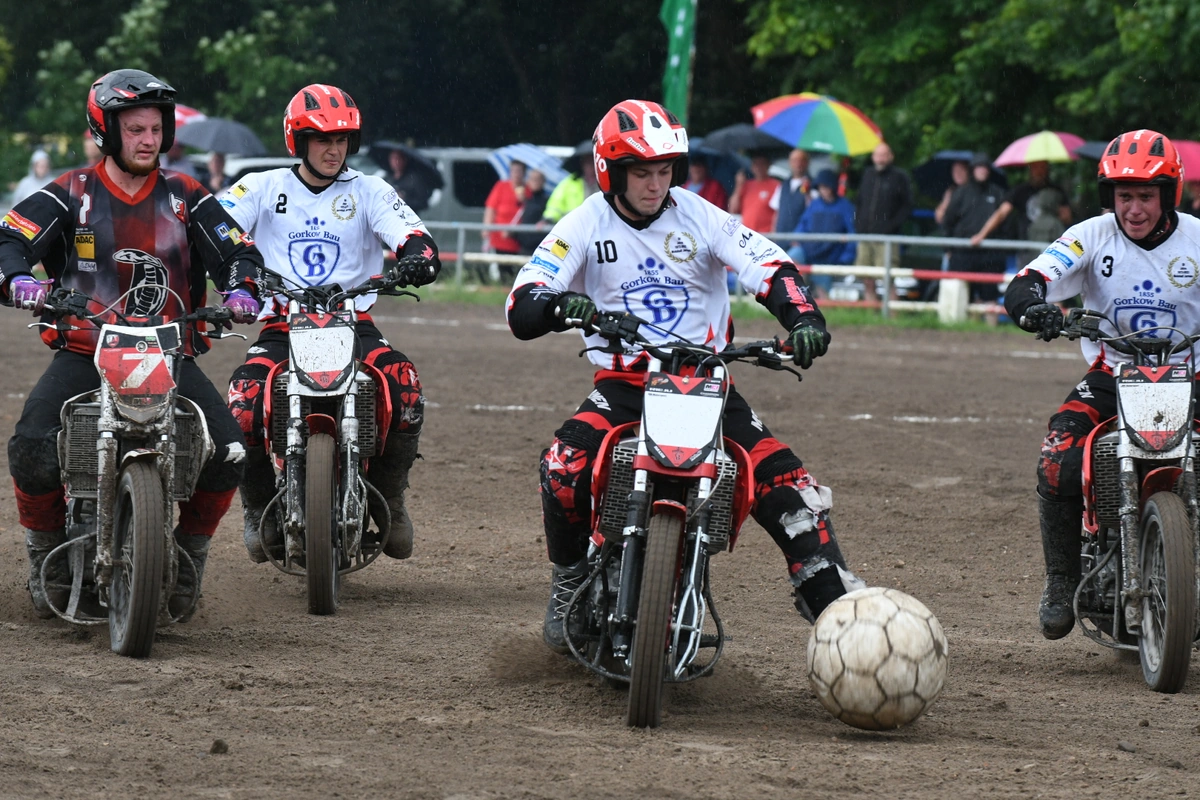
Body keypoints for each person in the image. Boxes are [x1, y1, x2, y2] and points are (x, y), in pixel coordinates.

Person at [505, 99, 863, 653]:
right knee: (562, 466)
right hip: (624, 386)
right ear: (610, 172)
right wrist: (558, 307)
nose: (655, 184)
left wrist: (804, 318)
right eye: (642, 172)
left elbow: (768, 266)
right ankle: (569, 580)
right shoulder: (581, 224)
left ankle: (847, 626)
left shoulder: (702, 216)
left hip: (710, 385)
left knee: (792, 494)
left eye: (664, 171)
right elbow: (523, 301)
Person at [0, 69, 265, 620]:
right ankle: (46, 556)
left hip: (169, 354)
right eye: (136, 129)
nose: (149, 139)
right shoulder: (71, 193)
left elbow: (238, 252)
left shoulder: (187, 195)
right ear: (105, 131)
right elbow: (9, 241)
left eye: (156, 128)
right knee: (29, 448)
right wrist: (21, 279)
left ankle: (189, 555)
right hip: (85, 352)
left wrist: (241, 287)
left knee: (230, 453)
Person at [221, 82, 441, 564]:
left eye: (341, 139)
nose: (332, 149)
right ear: (296, 141)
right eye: (321, 139)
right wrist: (235, 267)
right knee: (241, 403)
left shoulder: (370, 190)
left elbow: (414, 235)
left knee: (405, 388)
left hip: (353, 322)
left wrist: (416, 256)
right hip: (283, 326)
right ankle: (258, 506)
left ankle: (391, 500)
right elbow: (213, 226)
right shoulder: (261, 186)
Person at [1003, 129, 1200, 640]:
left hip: (1193, 373)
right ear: (1109, 197)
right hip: (1113, 372)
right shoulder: (1089, 235)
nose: (1135, 208)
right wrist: (1035, 307)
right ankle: (1061, 579)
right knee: (1057, 453)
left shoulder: (1198, 239)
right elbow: (1030, 279)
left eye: (1146, 196)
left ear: (1168, 194)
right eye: (1124, 196)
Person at [941, 153, 1008, 305]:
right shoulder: (961, 193)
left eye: (985, 168)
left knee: (990, 296)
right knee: (961, 295)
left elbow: (1006, 224)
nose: (982, 171)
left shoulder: (997, 193)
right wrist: (948, 249)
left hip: (990, 254)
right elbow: (948, 222)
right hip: (962, 253)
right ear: (972, 170)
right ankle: (962, 328)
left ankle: (990, 328)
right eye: (979, 168)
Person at [854, 143, 912, 300]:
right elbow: (859, 202)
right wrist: (858, 224)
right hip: (865, 235)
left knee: (887, 279)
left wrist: (890, 227)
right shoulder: (867, 175)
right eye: (877, 155)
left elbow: (907, 207)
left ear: (890, 156)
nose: (880, 159)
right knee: (865, 276)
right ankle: (870, 315)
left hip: (887, 238)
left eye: (883, 155)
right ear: (873, 157)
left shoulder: (899, 177)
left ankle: (892, 316)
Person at [971, 160, 1072, 244]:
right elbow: (1002, 213)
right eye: (1036, 167)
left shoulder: (1056, 191)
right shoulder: (1021, 190)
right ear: (1030, 169)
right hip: (1027, 246)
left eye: (1042, 167)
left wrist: (1053, 210)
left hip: (1050, 242)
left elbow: (1067, 218)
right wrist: (982, 235)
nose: (1039, 171)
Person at [796, 169, 857, 298]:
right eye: (821, 187)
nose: (823, 190)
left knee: (822, 292)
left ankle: (823, 314)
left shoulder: (845, 206)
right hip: (809, 251)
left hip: (829, 257)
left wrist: (845, 259)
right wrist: (796, 239)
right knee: (791, 260)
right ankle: (797, 299)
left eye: (826, 186)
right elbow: (803, 225)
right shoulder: (814, 204)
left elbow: (853, 234)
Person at [483, 159, 525, 277]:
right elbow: (491, 208)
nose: (516, 174)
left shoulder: (528, 190)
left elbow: (532, 210)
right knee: (502, 268)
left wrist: (524, 200)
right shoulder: (501, 186)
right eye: (514, 171)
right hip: (500, 237)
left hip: (519, 239)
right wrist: (486, 227)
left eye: (519, 171)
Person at [542, 141, 599, 225]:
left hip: (599, 228)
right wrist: (548, 219)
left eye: (592, 161)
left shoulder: (607, 182)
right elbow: (555, 204)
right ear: (582, 164)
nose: (590, 165)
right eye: (587, 162)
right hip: (573, 228)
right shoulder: (569, 183)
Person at [773, 148, 813, 263]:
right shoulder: (783, 185)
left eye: (801, 160)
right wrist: (774, 236)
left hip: (800, 241)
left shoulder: (813, 185)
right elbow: (776, 213)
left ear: (807, 163)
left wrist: (808, 192)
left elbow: (813, 213)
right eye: (795, 160)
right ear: (790, 163)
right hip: (781, 238)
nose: (798, 164)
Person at [729, 153, 780, 233]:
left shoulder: (776, 185)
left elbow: (778, 212)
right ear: (752, 167)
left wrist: (774, 232)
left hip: (766, 234)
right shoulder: (746, 185)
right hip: (747, 233)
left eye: (762, 164)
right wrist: (738, 186)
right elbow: (733, 209)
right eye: (756, 164)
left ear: (768, 166)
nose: (759, 167)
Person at [384, 147, 435, 213]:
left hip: (409, 217)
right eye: (392, 158)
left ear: (404, 160)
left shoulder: (414, 179)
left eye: (398, 158)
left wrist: (404, 200)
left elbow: (423, 203)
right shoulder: (387, 178)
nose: (395, 161)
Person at [514, 168, 550, 255]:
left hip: (538, 247)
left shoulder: (547, 200)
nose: (534, 182)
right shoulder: (527, 200)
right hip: (524, 246)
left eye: (537, 179)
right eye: (532, 179)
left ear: (543, 181)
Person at [933, 159, 969, 226]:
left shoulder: (975, 191)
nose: (958, 173)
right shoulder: (951, 191)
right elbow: (939, 217)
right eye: (955, 171)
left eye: (961, 170)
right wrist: (946, 201)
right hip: (953, 231)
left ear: (968, 171)